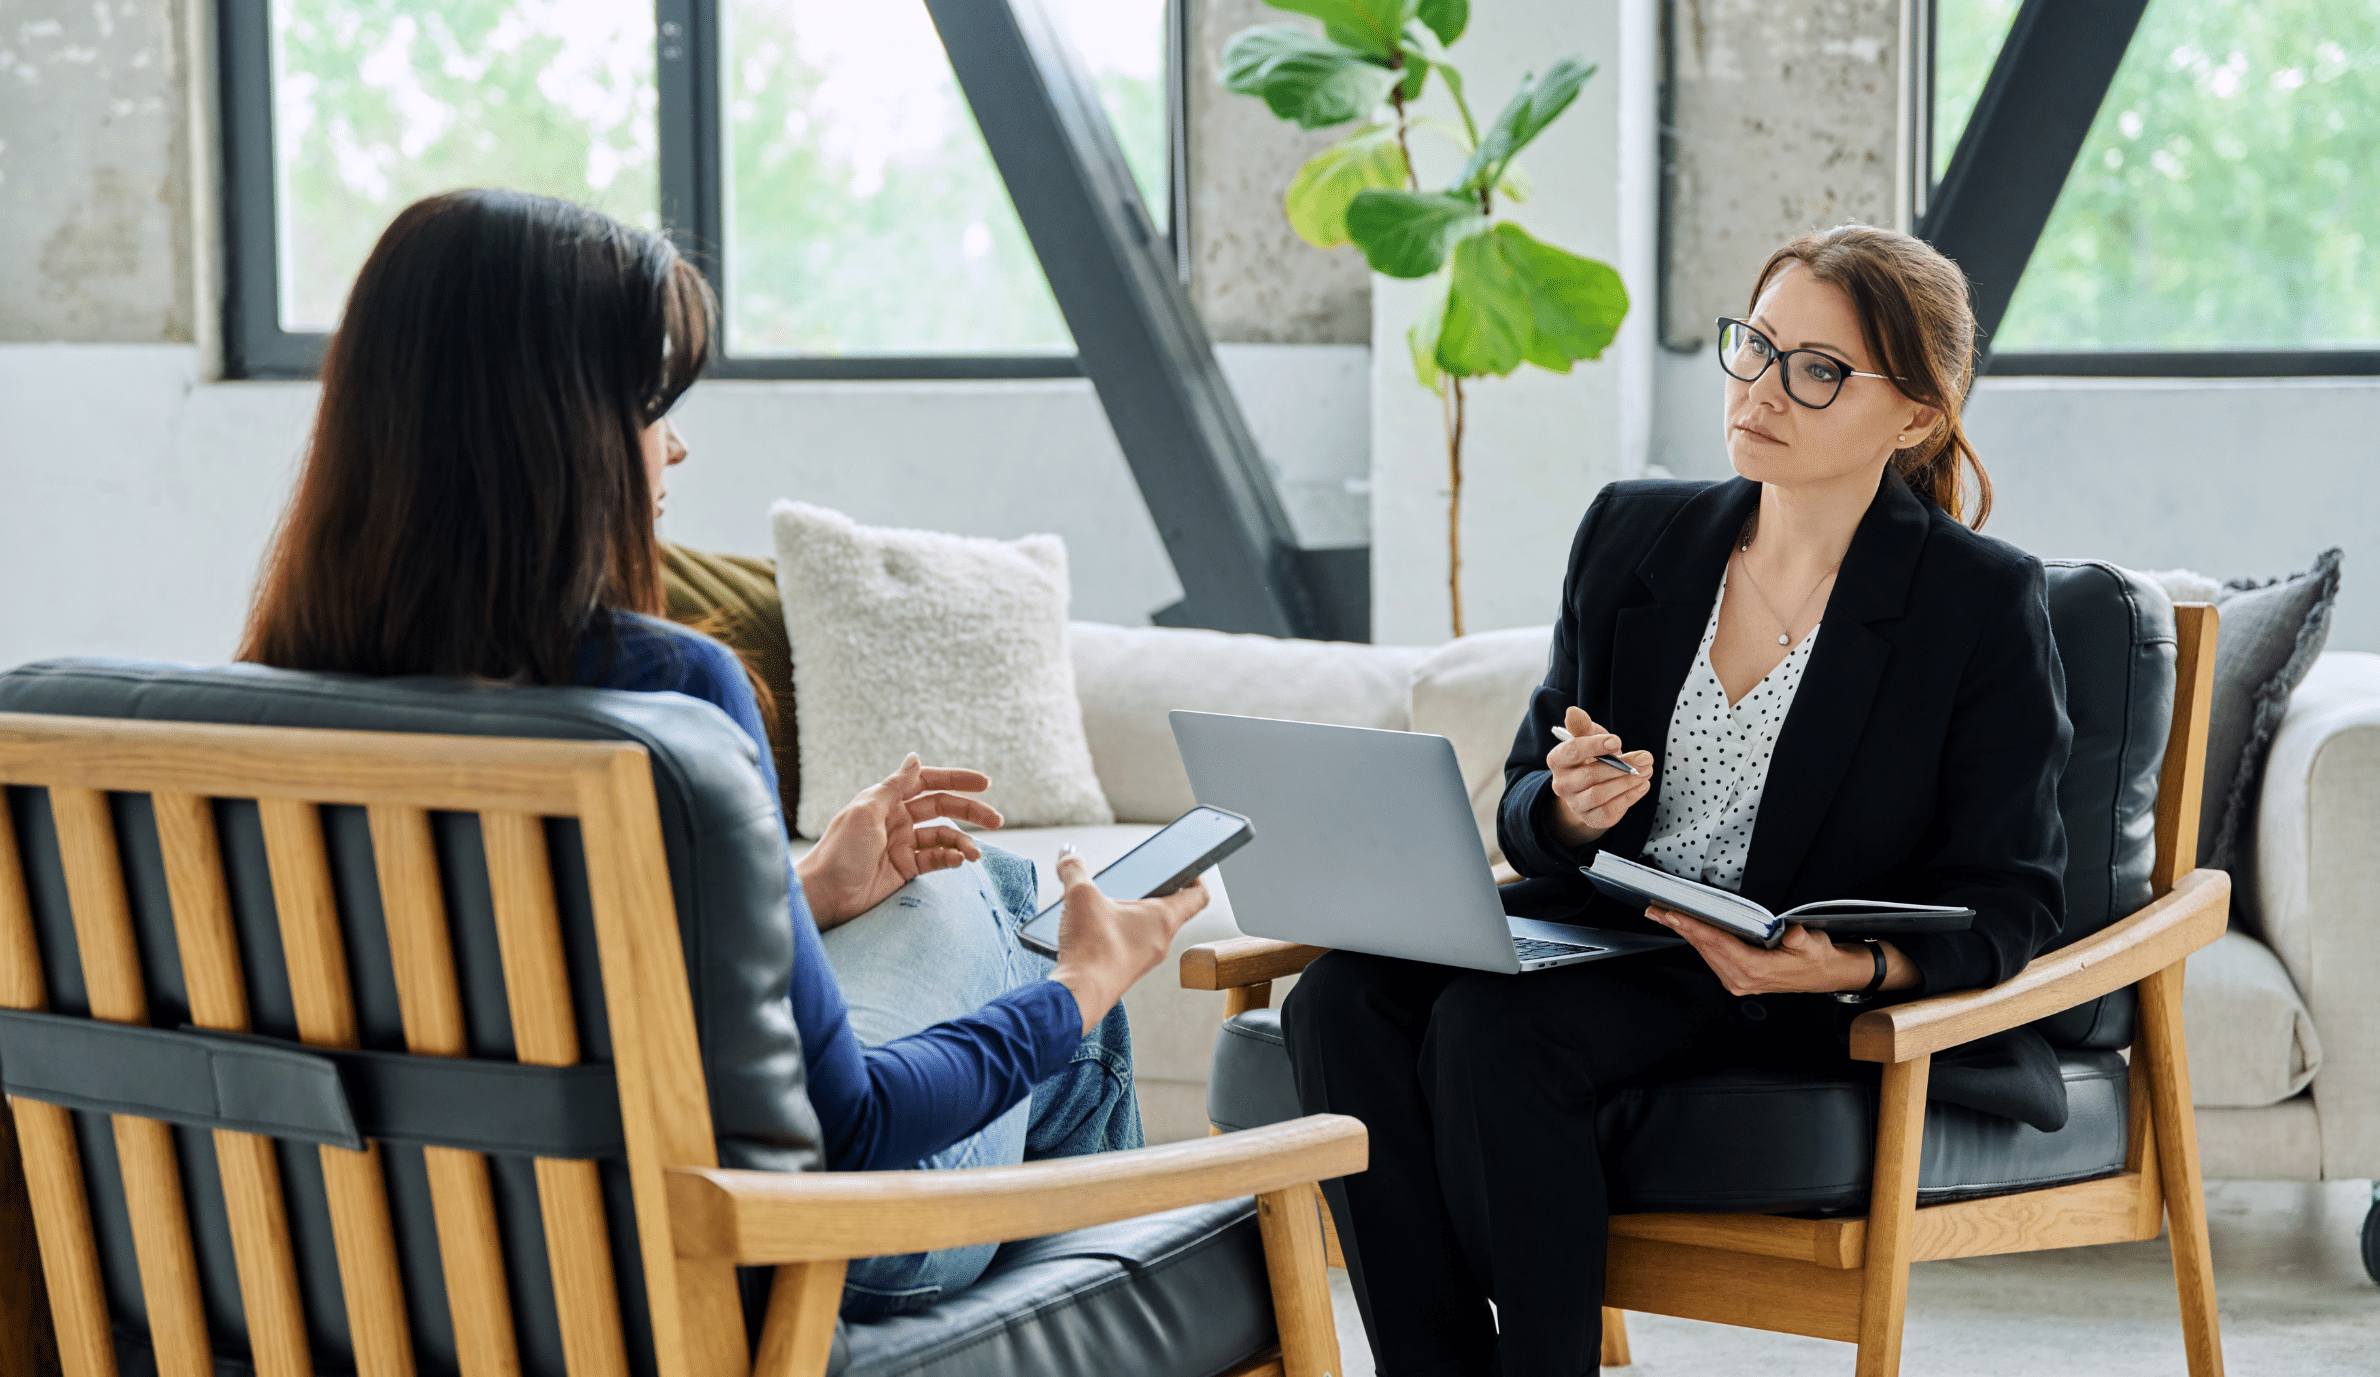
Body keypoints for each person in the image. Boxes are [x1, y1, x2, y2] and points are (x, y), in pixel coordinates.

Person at [236, 188, 1206, 1319]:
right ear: (553, 436)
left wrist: (792, 894)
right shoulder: (660, 688)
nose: (676, 442)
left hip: (390, 1265)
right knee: (1046, 961)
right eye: (650, 405)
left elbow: (522, 992)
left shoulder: (259, 702)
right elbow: (848, 1133)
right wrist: (1086, 986)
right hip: (724, 1271)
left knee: (981, 893)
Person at [1281, 224, 2074, 1376]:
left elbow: (2012, 897)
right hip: (1603, 932)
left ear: (1914, 415)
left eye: (1817, 370)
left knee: (1493, 1030)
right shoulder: (1632, 534)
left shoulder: (1978, 603)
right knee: (1337, 1001)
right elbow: (1522, 796)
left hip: (1776, 975)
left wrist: (1846, 966)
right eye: (1754, 346)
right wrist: (1568, 811)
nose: (1761, 389)